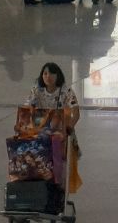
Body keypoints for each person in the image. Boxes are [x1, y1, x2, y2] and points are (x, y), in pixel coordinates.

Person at [26, 61, 84, 195]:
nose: (48, 76)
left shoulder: (65, 91)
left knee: (59, 164)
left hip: (61, 134)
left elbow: (76, 112)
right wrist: (28, 123)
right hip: (40, 133)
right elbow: (28, 107)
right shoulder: (36, 90)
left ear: (58, 76)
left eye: (52, 73)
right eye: (45, 73)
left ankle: (59, 191)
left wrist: (70, 126)